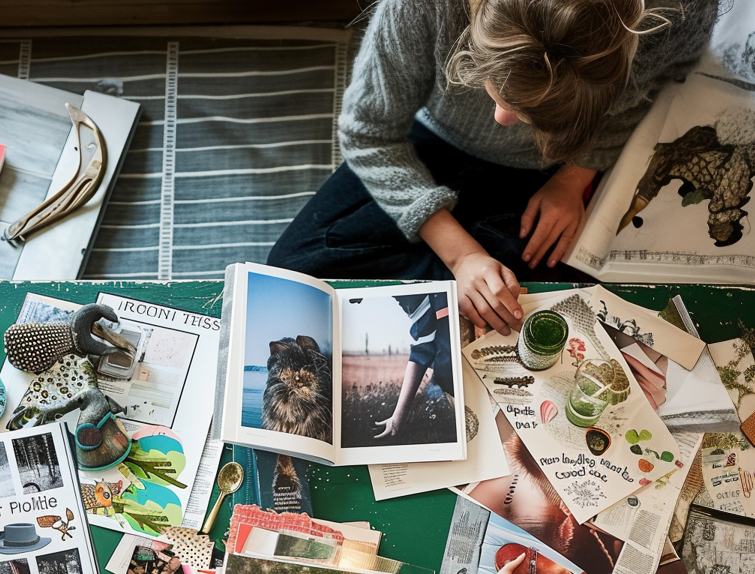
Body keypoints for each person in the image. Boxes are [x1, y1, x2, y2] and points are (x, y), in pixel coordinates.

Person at [267, 0, 718, 335]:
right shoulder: (422, 8)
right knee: (293, 276)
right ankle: (467, 281)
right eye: (499, 94)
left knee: (562, 313)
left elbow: (654, 83)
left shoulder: (678, 13)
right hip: (427, 147)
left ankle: (465, 287)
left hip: (545, 175)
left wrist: (575, 174)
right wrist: (461, 254)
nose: (503, 120)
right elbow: (368, 131)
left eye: (528, 111)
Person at [374, 293, 454, 438]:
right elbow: (422, 350)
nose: (399, 302)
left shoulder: (441, 295)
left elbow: (422, 350)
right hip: (449, 392)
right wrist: (397, 417)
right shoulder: (425, 307)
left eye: (399, 298)